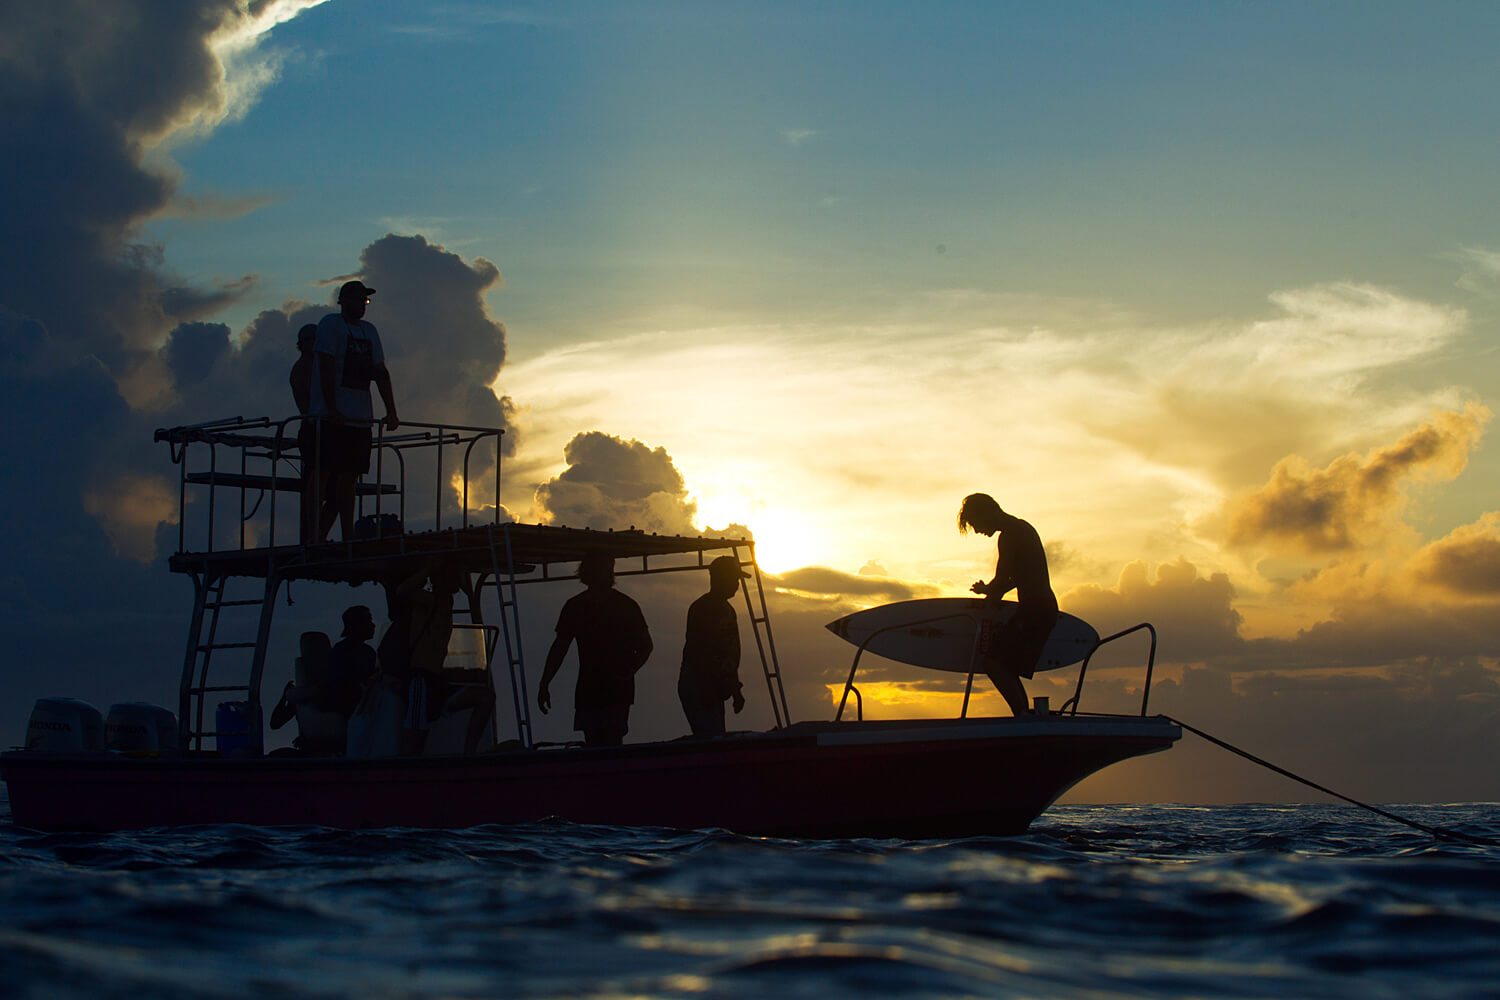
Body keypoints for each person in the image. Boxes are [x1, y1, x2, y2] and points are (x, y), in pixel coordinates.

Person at [311, 280, 399, 541]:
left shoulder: (369, 331)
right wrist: (332, 409)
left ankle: (347, 535)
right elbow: (326, 367)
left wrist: (391, 411)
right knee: (322, 475)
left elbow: (381, 373)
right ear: (344, 301)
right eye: (358, 299)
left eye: (365, 300)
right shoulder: (330, 325)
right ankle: (313, 536)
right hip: (330, 418)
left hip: (359, 420)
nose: (362, 305)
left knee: (349, 479)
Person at [537, 552, 653, 746]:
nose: (608, 572)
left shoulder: (625, 606)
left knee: (611, 743)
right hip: (589, 689)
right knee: (594, 745)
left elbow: (646, 645)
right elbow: (560, 647)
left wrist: (628, 671)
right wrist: (544, 683)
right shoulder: (575, 607)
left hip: (616, 690)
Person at [958, 492, 1058, 717]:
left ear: (988, 513)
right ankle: (1023, 715)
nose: (976, 530)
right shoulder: (1021, 529)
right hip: (1041, 609)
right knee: (1004, 666)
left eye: (976, 524)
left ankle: (1023, 716)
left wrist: (990, 595)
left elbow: (1003, 580)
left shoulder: (1011, 535)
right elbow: (1015, 577)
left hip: (1036, 610)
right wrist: (990, 591)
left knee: (994, 664)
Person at [379, 559, 493, 754]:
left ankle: (470, 755)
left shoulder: (446, 603)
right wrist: (428, 570)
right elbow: (402, 591)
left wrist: (470, 593)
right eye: (454, 574)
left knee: (485, 697)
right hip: (420, 680)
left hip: (437, 680)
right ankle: (409, 774)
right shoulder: (427, 601)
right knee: (416, 736)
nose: (458, 578)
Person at [677, 555, 748, 736]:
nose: (737, 584)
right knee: (710, 738)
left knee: (715, 736)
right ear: (720, 578)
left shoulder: (727, 610)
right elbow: (703, 654)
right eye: (734, 578)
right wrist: (713, 688)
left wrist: (734, 689)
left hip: (712, 689)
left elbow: (728, 655)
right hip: (701, 688)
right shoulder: (704, 609)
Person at [289, 323, 333, 542]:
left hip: (326, 428)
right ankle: (312, 536)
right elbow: (307, 404)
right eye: (312, 341)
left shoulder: (321, 367)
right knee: (314, 487)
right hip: (312, 429)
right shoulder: (301, 370)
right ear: (303, 344)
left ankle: (319, 536)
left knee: (335, 491)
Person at [326, 604, 378, 717]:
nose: (373, 625)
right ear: (356, 625)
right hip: (352, 710)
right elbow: (341, 686)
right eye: (368, 620)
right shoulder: (341, 651)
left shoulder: (369, 652)